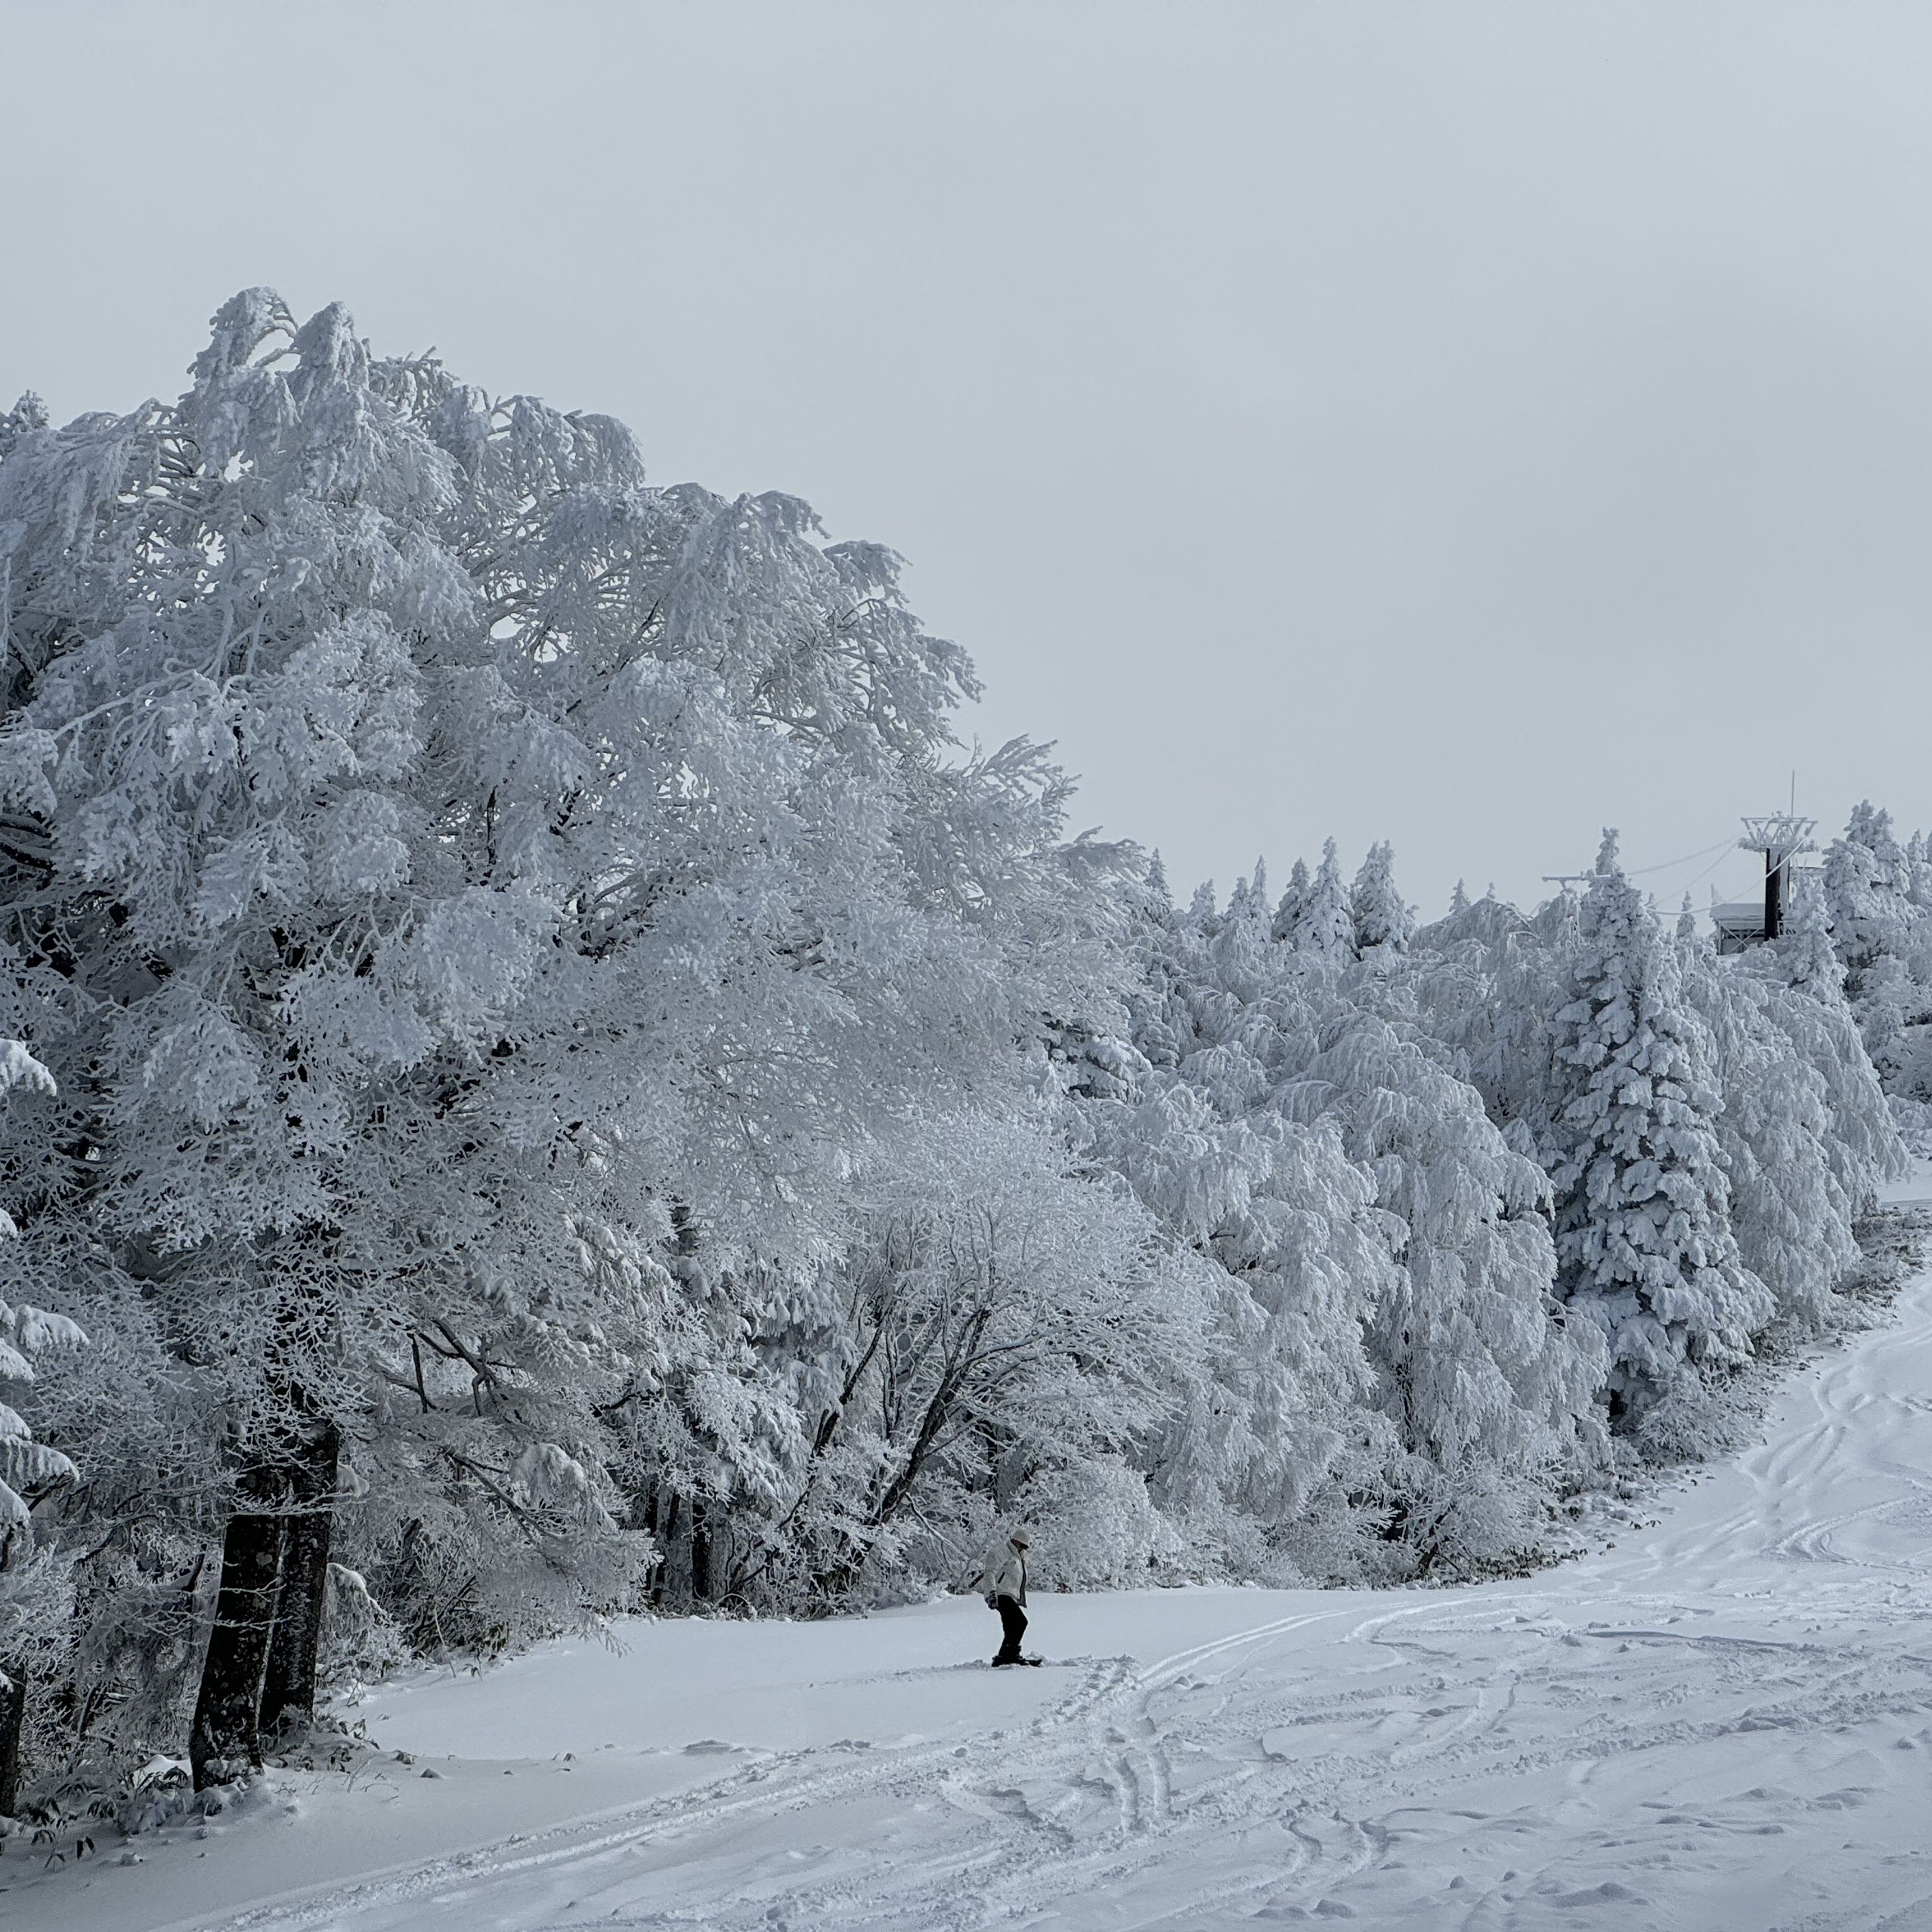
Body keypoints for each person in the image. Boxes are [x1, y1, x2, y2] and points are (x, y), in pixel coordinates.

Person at [981, 1527, 1032, 1666]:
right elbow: (990, 1572)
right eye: (1022, 1545)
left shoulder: (1018, 1557)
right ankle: (1009, 1656)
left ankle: (1005, 1657)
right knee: (1020, 1622)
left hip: (1010, 1596)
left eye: (1025, 1547)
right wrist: (991, 1593)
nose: (1023, 1549)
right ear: (1016, 1541)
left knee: (1012, 1626)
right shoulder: (1002, 1552)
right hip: (1000, 1594)